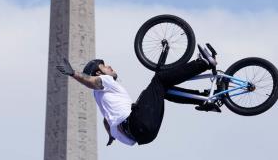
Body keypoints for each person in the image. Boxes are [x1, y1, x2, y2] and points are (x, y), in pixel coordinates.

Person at [56, 46, 218, 146]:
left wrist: (112, 136)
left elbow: (106, 120)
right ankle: (204, 62)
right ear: (99, 72)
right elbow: (91, 82)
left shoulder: (101, 98)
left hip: (143, 135)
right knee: (159, 79)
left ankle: (204, 99)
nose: (109, 66)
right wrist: (73, 73)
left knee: (162, 91)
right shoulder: (104, 81)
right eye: (104, 66)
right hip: (137, 123)